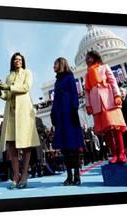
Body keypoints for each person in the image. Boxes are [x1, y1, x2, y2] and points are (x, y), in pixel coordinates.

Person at [0, 52, 40, 189]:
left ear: (23, 61)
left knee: (26, 144)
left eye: (20, 59)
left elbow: (26, 88)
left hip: (24, 111)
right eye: (15, 59)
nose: (17, 61)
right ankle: (16, 174)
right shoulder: (9, 76)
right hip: (11, 112)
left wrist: (7, 87)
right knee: (11, 144)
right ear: (12, 62)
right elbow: (6, 95)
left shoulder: (27, 72)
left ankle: (25, 174)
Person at [84, 50, 127, 164]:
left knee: (116, 129)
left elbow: (113, 81)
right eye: (86, 58)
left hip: (109, 100)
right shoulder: (87, 74)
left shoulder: (104, 67)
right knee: (107, 132)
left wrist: (117, 95)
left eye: (89, 57)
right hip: (97, 104)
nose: (87, 60)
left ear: (95, 57)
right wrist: (88, 105)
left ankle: (121, 153)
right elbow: (87, 92)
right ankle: (113, 154)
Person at [50, 57, 85, 186]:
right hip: (60, 115)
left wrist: (74, 108)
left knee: (73, 146)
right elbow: (55, 99)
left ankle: (77, 175)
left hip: (69, 114)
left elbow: (75, 93)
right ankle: (69, 175)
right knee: (64, 147)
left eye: (55, 63)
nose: (53, 66)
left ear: (61, 64)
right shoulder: (57, 81)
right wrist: (53, 113)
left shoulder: (69, 77)